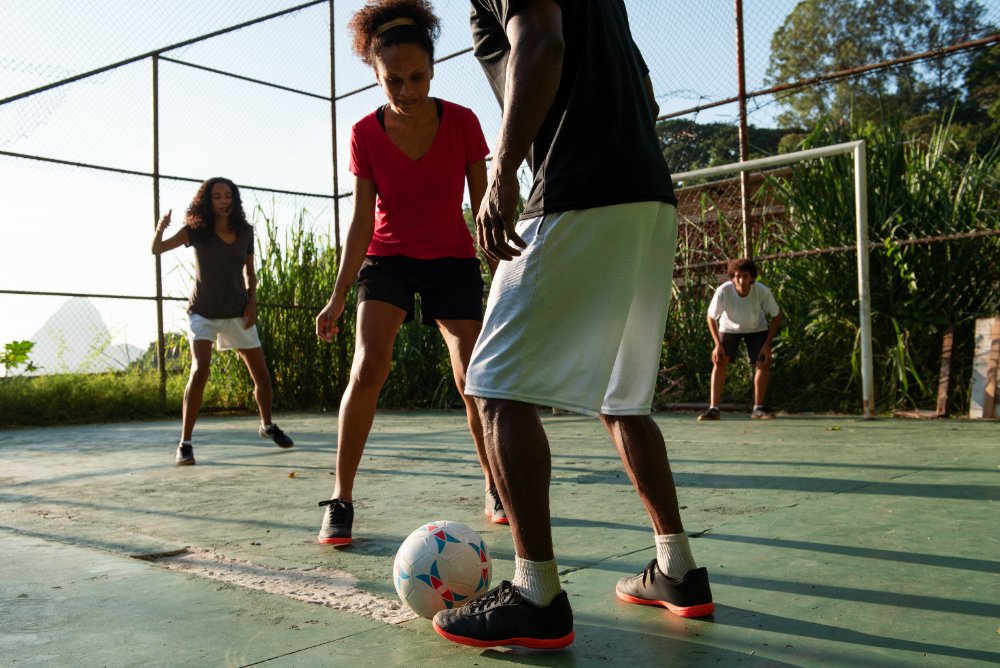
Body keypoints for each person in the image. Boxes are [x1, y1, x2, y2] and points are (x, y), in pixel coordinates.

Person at [432, 0, 714, 650]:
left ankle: (536, 594)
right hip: (647, 192)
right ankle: (677, 569)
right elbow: (644, 91)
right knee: (622, 398)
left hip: (577, 187)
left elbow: (542, 43)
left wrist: (503, 170)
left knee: (493, 387)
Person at [313, 0, 500, 546]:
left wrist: (506, 276)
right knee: (368, 366)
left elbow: (484, 207)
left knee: (472, 379)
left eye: (417, 76)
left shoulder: (463, 122)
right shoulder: (364, 133)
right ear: (376, 75)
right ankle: (341, 498)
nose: (406, 89)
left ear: (433, 69)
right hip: (388, 259)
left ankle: (495, 484)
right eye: (393, 79)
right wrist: (337, 295)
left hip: (451, 260)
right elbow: (360, 221)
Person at [151, 177, 294, 466]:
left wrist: (252, 303)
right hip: (203, 312)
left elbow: (250, 273)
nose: (223, 201)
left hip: (237, 312)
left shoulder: (245, 231)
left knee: (262, 377)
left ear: (234, 199)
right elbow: (157, 249)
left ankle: (267, 425)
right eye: (217, 196)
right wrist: (160, 228)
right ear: (207, 201)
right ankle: (185, 444)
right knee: (200, 370)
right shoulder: (196, 231)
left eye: (228, 195)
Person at [698, 258, 782, 421]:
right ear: (732, 278)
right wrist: (717, 345)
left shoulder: (762, 291)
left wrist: (767, 345)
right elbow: (711, 317)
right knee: (719, 360)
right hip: (728, 328)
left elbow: (776, 315)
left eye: (745, 276)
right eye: (738, 276)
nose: (741, 281)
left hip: (757, 329)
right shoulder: (723, 291)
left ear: (752, 278)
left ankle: (758, 408)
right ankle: (714, 409)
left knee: (763, 362)